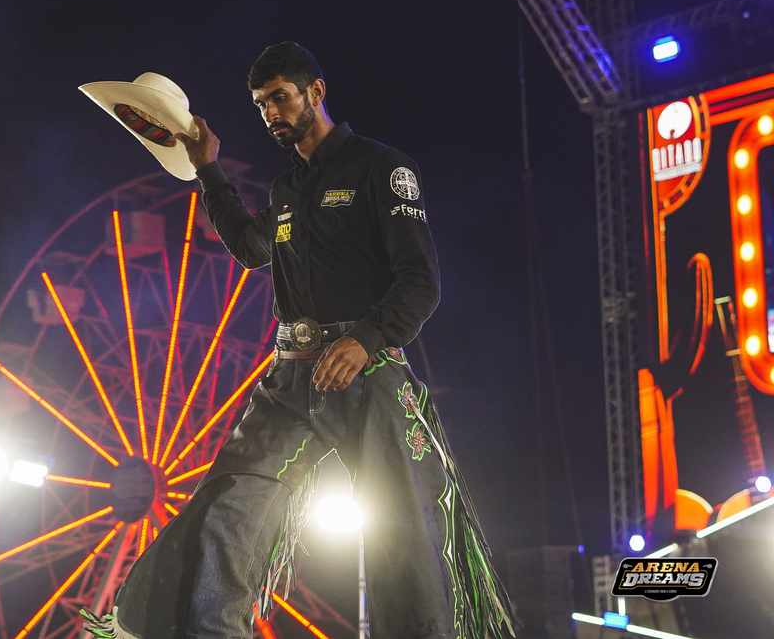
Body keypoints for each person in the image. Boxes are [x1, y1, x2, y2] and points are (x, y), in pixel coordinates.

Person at [84, 42, 513, 639]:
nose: (271, 113)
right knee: (227, 505)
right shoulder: (287, 188)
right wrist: (208, 169)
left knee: (404, 537)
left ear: (316, 91)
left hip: (365, 375)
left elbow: (421, 282)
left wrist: (366, 340)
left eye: (280, 98)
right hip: (290, 379)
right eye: (261, 104)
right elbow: (248, 247)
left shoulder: (381, 168)